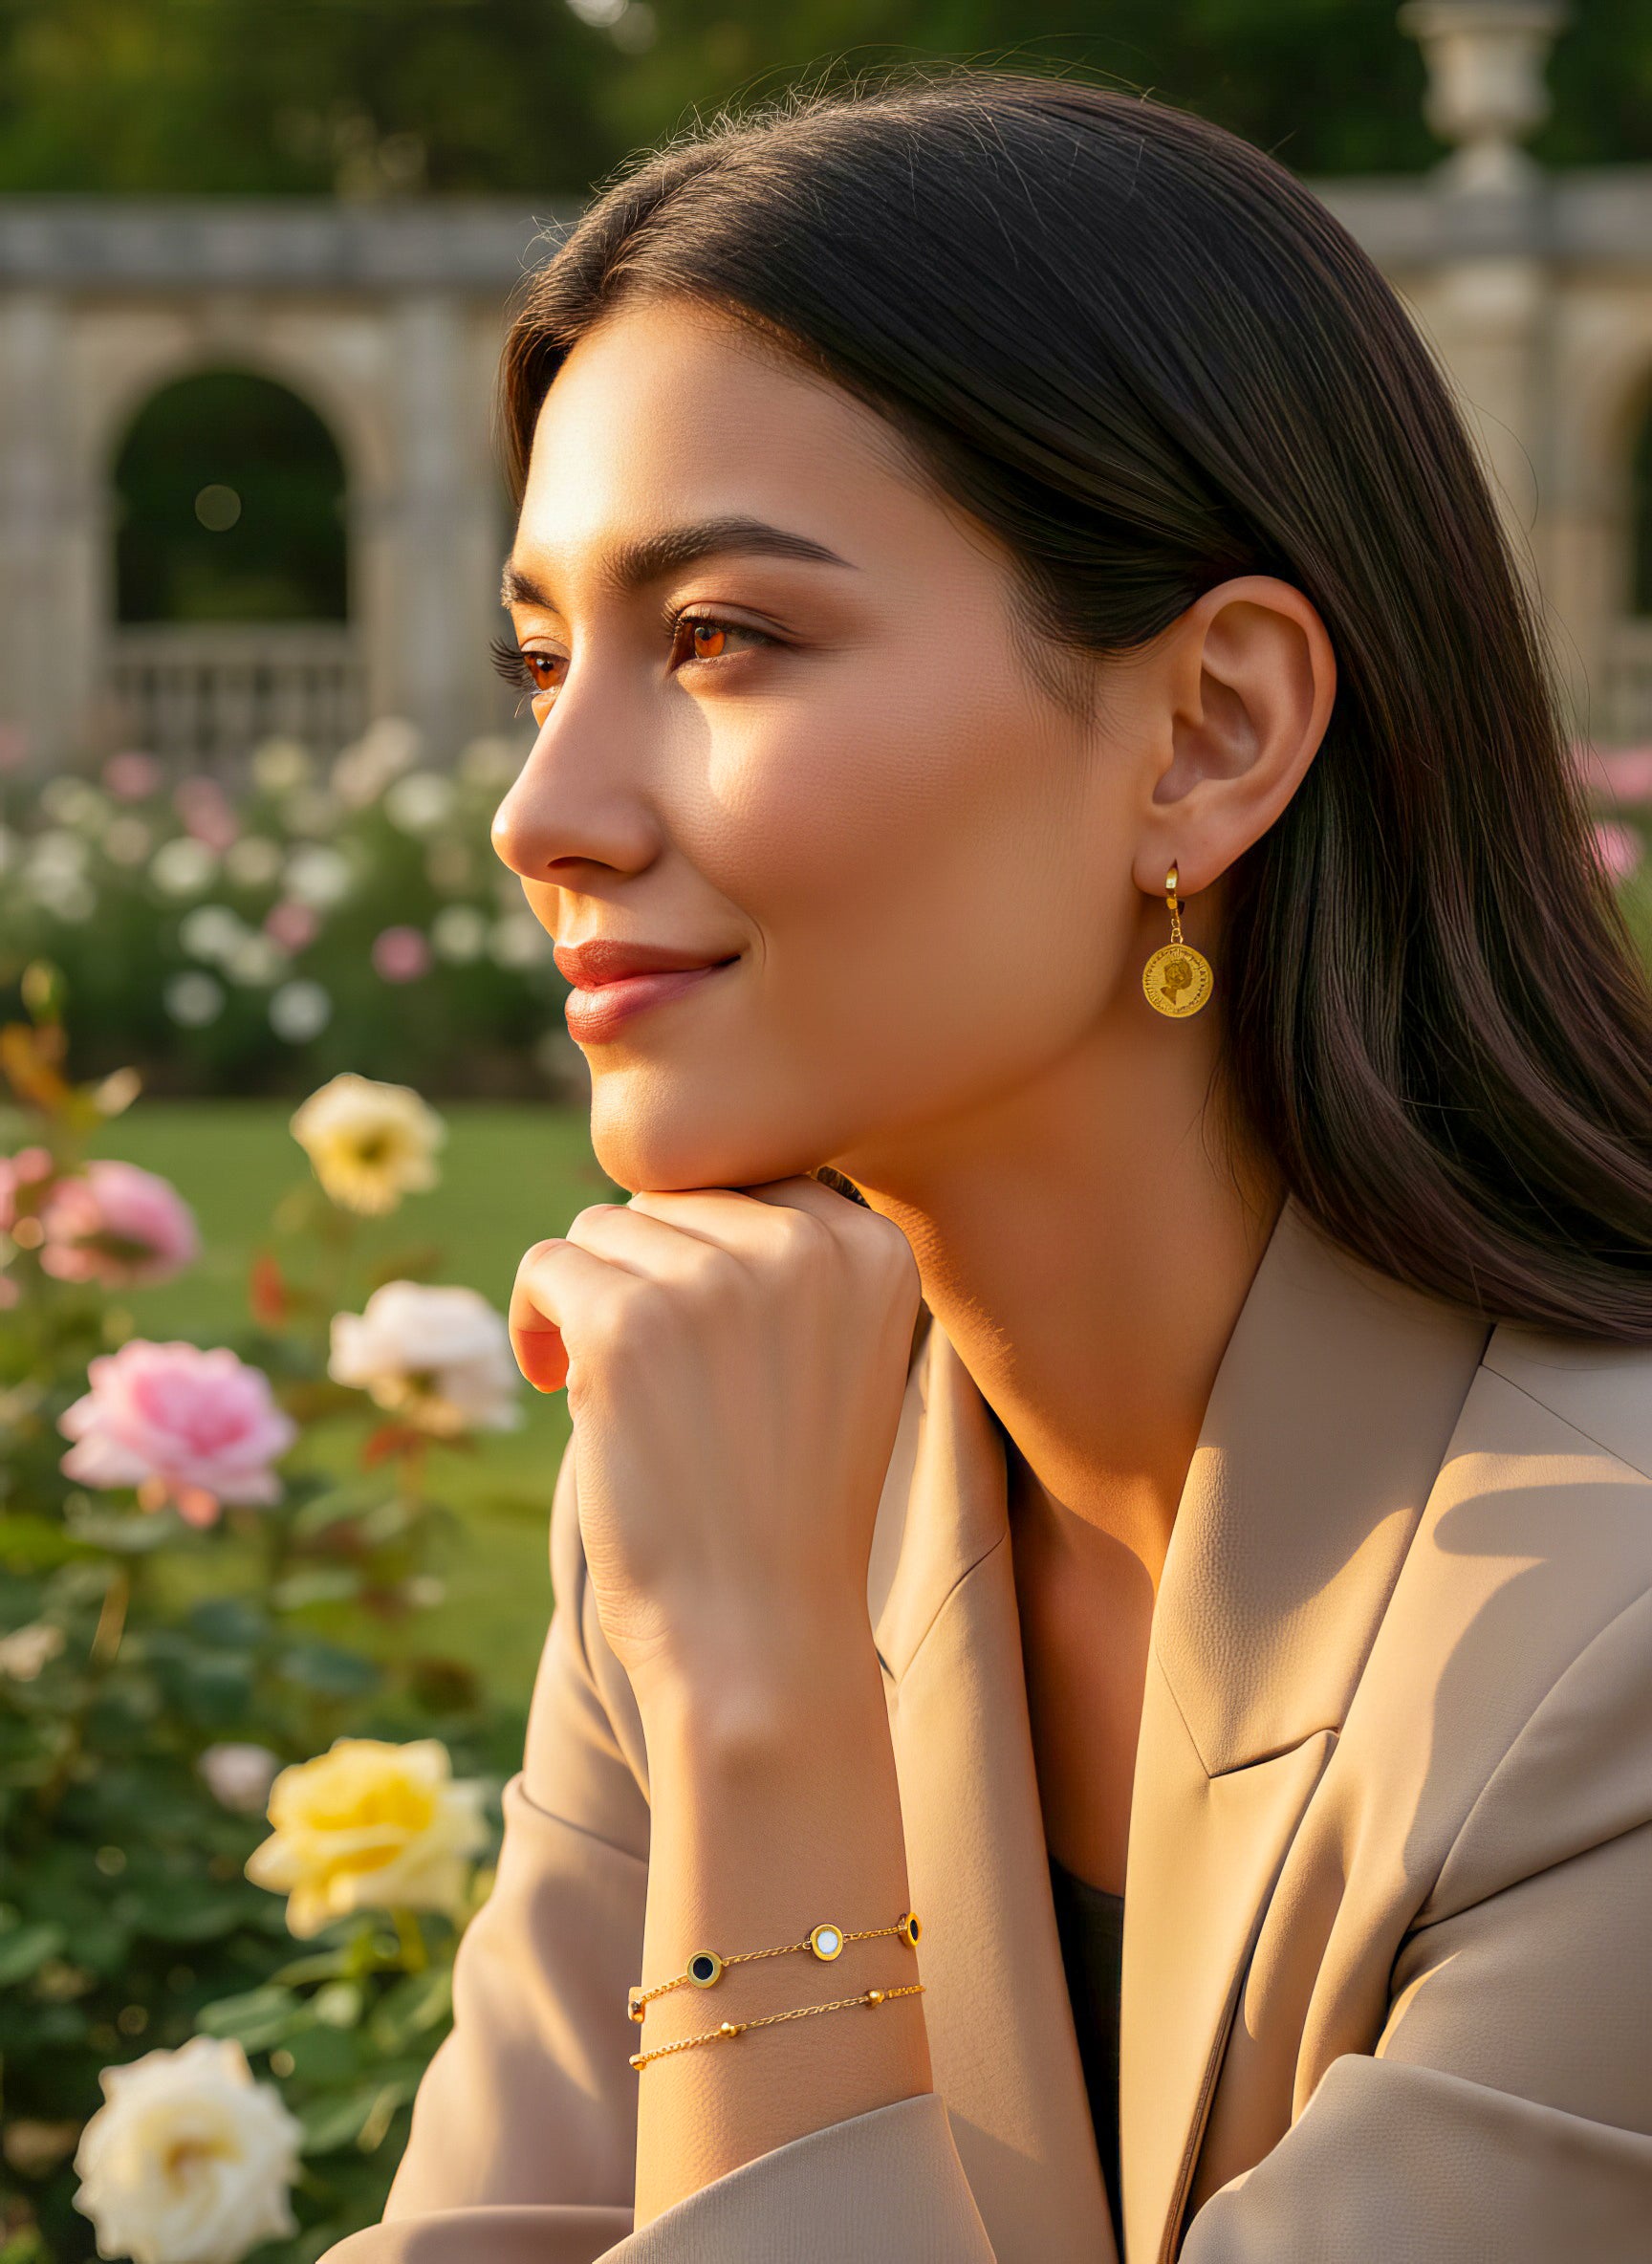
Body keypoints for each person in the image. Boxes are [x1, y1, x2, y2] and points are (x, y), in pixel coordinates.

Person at [324, 72, 1652, 2264]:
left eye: (723, 637)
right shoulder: (754, 1456)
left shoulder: (1606, 1655)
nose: (539, 806)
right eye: (539, 660)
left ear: (1212, 727)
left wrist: (764, 1707)